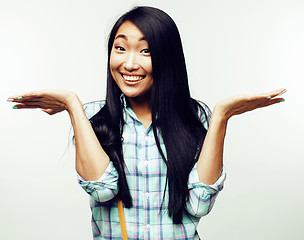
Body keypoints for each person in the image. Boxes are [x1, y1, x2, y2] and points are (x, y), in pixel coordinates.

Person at [7, 6, 286, 240]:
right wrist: (72, 105)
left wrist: (222, 116)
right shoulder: (93, 117)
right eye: (120, 48)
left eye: (146, 51)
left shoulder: (196, 117)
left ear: (168, 59)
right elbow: (103, 190)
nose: (129, 64)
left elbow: (199, 204)